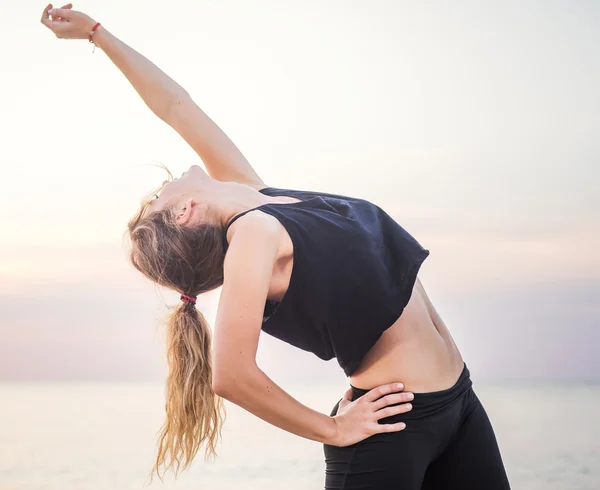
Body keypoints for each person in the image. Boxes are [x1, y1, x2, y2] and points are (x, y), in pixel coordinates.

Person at [41, 4, 511, 489]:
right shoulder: (252, 236)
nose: (170, 178)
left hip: (458, 403)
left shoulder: (261, 202)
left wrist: (98, 35)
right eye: (159, 195)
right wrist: (331, 427)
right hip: (392, 429)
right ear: (184, 213)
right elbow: (230, 375)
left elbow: (176, 107)